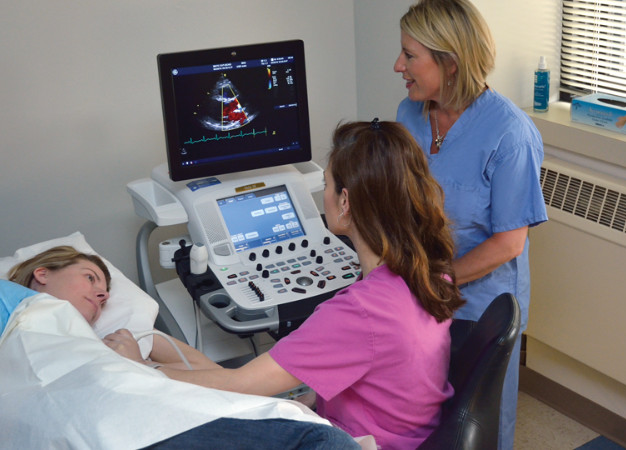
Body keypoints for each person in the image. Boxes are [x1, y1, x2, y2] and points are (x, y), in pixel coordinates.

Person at [136, 119, 464, 449]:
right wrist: (155, 352)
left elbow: (239, 383)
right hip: (416, 435)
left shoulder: (360, 311)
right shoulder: (430, 270)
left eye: (327, 185)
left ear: (346, 202)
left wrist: (140, 373)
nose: (325, 197)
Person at [0, 246, 358, 449]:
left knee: (315, 436)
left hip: (153, 415)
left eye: (107, 290)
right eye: (90, 278)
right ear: (42, 273)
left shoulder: (105, 346)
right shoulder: (3, 298)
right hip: (98, 426)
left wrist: (137, 359)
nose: (101, 295)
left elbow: (223, 384)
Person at [393, 1, 548, 448]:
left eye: (410, 55)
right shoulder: (410, 114)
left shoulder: (510, 135)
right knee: (420, 413)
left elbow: (508, 243)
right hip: (420, 290)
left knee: (475, 423)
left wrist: (435, 281)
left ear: (450, 62)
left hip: (480, 305)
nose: (399, 65)